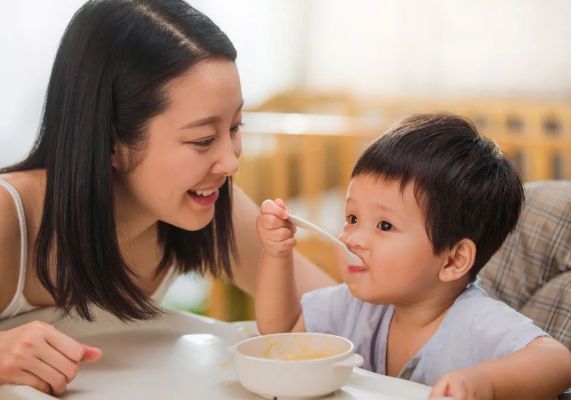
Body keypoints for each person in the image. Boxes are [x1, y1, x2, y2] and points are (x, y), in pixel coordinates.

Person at [0, 0, 334, 396]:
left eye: (235, 127)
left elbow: (332, 312)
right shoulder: (9, 216)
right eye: (203, 140)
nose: (230, 163)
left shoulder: (208, 200)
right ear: (110, 142)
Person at [255, 114, 571, 399]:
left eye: (384, 225)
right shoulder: (356, 307)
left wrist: (484, 383)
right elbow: (280, 334)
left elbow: (559, 362)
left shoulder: (476, 320)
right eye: (352, 218)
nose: (353, 239)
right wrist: (275, 255)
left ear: (452, 260)